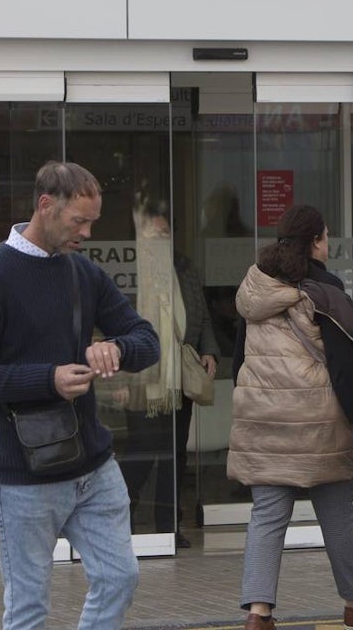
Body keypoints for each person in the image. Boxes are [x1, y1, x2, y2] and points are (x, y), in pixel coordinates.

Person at [0, 160, 161, 629]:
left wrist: (115, 348)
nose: (86, 232)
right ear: (46, 206)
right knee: (27, 610)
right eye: (78, 221)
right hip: (24, 477)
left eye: (92, 222)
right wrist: (49, 379)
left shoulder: (83, 273)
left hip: (93, 466)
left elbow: (147, 341)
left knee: (120, 577)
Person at [229, 204, 353, 630]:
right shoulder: (326, 291)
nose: (328, 244)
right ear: (316, 242)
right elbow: (342, 363)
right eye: (326, 237)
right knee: (337, 511)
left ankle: (258, 614)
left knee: (267, 516)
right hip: (320, 422)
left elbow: (239, 361)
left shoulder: (255, 287)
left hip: (265, 419)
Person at [115, 207, 219, 548]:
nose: (161, 240)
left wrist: (208, 350)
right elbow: (108, 327)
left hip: (179, 377)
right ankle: (121, 519)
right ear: (139, 239)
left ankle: (169, 526)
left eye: (165, 233)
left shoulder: (184, 267)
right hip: (141, 376)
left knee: (175, 452)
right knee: (143, 449)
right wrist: (117, 379)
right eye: (153, 234)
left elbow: (200, 312)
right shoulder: (128, 272)